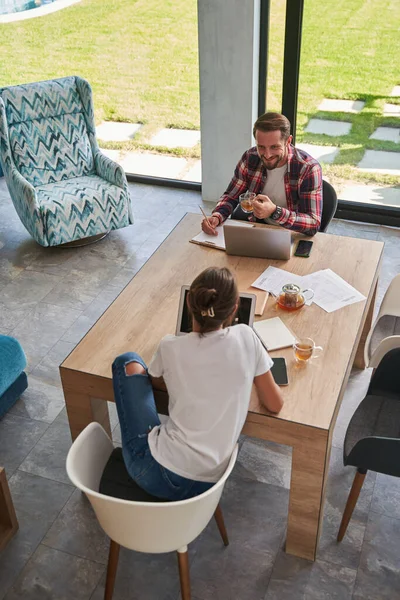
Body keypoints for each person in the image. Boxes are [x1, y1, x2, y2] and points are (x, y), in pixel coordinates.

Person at [112, 266, 283, 501]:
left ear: (189, 302)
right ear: (235, 309)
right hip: (209, 486)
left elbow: (152, 382)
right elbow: (274, 404)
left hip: (158, 476)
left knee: (127, 362)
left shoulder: (170, 346)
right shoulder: (246, 336)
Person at [201, 112, 323, 237]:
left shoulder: (309, 168)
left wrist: (275, 212)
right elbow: (232, 196)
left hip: (291, 233)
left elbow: (313, 223)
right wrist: (217, 216)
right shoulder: (250, 158)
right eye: (261, 147)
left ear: (288, 141)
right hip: (257, 227)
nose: (267, 155)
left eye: (274, 147)